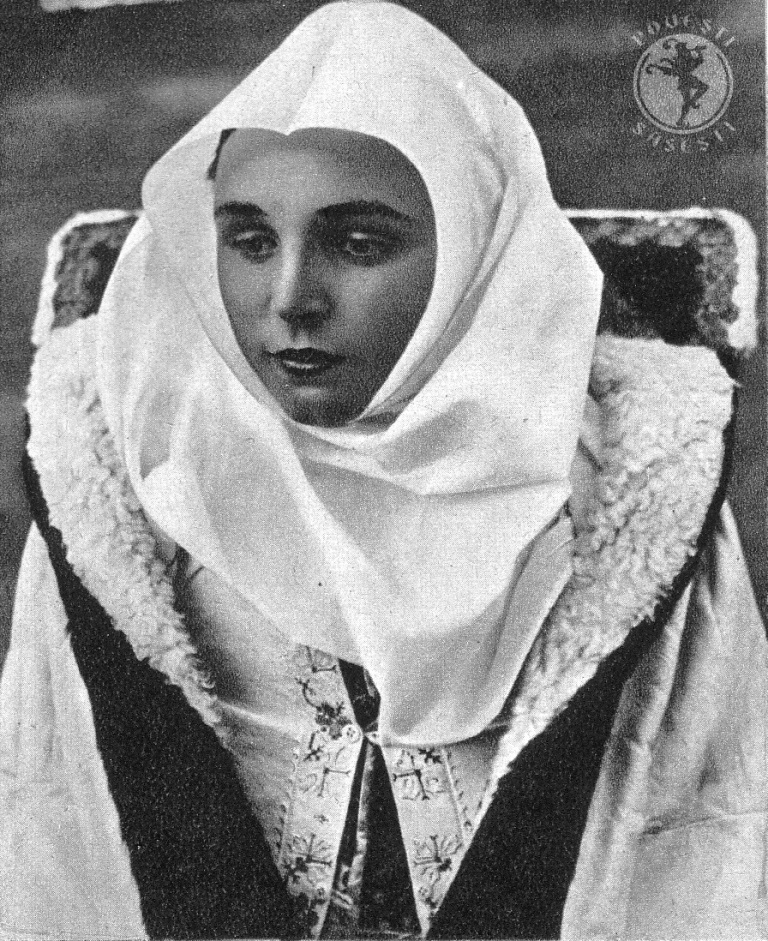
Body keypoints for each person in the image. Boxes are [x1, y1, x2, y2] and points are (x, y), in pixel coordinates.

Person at [2, 3, 766, 939]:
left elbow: (708, 841)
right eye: (250, 240)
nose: (291, 299)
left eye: (359, 243)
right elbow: (49, 834)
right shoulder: (128, 471)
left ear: (480, 253)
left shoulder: (632, 489)